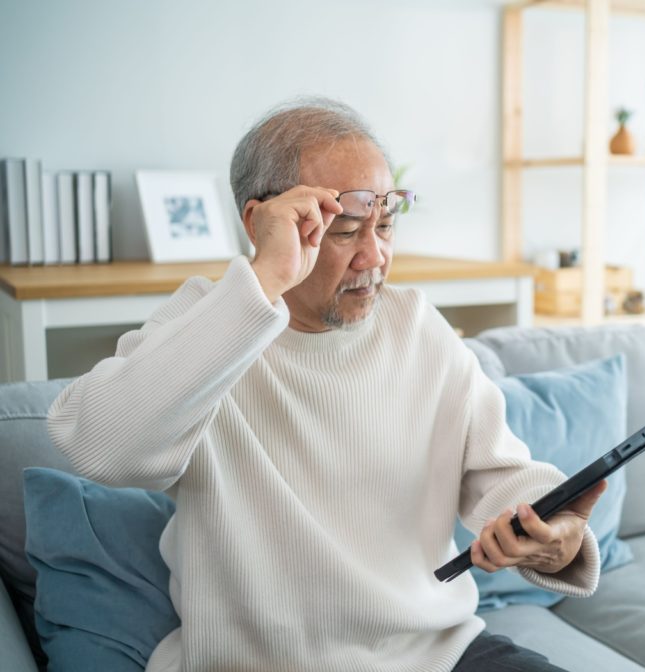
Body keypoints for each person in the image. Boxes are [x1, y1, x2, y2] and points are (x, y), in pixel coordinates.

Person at [47, 97, 606, 672]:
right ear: (262, 225)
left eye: (385, 225)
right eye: (343, 229)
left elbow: (502, 475)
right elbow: (98, 447)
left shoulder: (416, 326)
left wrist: (555, 534)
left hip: (438, 656)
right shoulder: (208, 322)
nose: (376, 255)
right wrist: (264, 280)